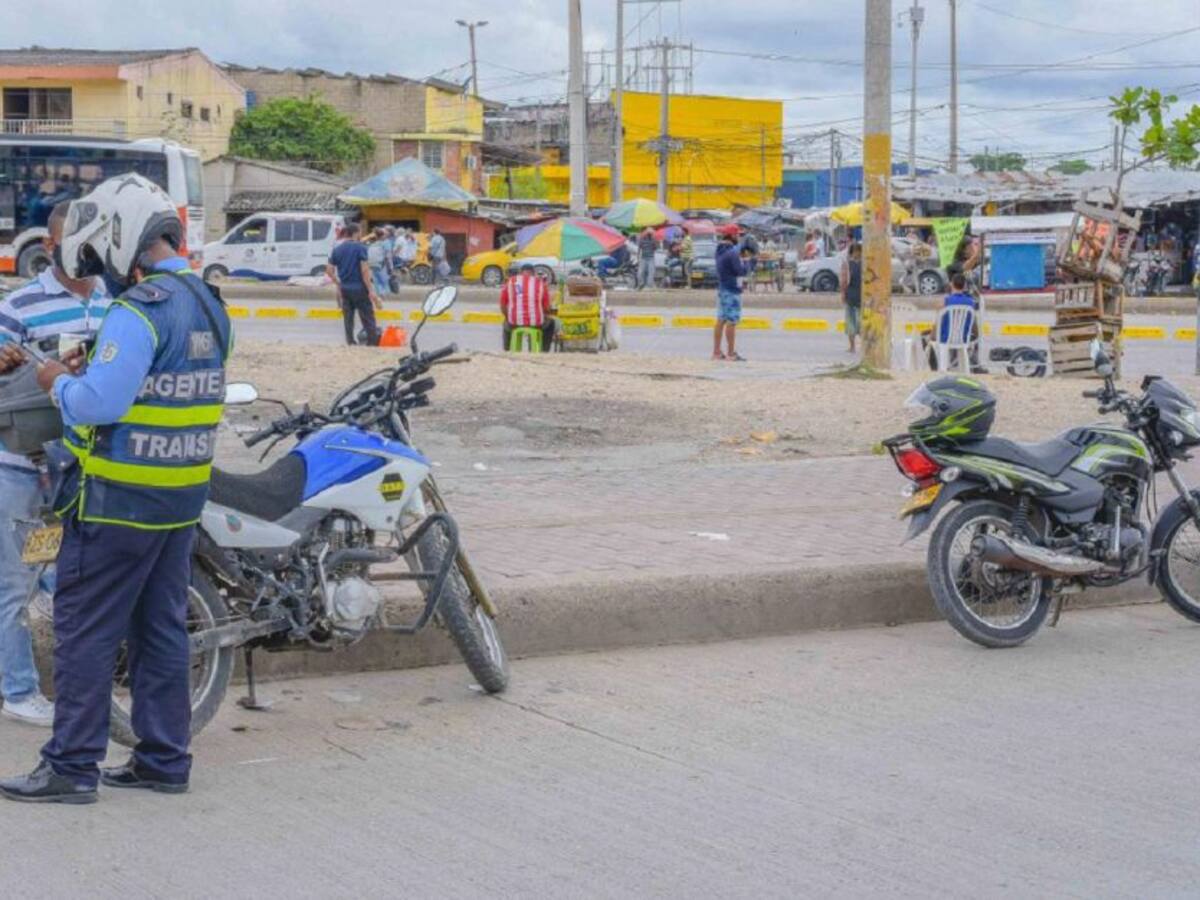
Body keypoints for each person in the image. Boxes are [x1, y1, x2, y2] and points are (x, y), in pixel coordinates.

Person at [0, 174, 232, 804]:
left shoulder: (138, 309)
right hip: (179, 499)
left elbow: (98, 404)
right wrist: (94, 358)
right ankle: (164, 759)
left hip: (114, 501)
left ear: (125, 236)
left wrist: (54, 378)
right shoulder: (208, 300)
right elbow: (164, 380)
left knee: (85, 633)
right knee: (160, 631)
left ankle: (71, 766)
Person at [0, 202, 110, 730]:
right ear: (50, 244)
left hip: (86, 472)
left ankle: (79, 688)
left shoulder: (118, 304)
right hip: (23, 469)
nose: (81, 253)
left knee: (72, 584)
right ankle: (19, 691)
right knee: (15, 585)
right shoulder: (20, 304)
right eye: (70, 242)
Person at [327, 223, 382, 347]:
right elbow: (364, 271)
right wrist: (371, 290)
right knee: (367, 316)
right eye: (360, 232)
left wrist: (338, 283)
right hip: (359, 288)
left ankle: (350, 341)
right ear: (356, 233)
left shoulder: (337, 249)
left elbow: (329, 271)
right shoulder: (360, 248)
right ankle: (372, 342)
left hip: (345, 288)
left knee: (348, 317)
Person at [499, 264, 554, 352]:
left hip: (514, 323)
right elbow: (547, 308)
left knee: (506, 324)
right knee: (551, 323)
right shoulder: (540, 283)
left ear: (520, 273)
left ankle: (507, 349)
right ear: (533, 273)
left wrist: (508, 316)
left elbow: (502, 304)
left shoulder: (510, 282)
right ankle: (544, 350)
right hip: (536, 324)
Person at [713, 234, 748, 361]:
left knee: (721, 319)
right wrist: (746, 261)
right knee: (732, 321)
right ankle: (731, 353)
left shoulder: (719, 252)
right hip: (732, 289)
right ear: (733, 237)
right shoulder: (733, 253)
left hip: (722, 288)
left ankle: (716, 352)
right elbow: (740, 271)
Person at [840, 242, 863, 354]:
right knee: (851, 323)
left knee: (860, 323)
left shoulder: (865, 264)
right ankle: (852, 346)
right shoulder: (848, 264)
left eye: (858, 251)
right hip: (851, 295)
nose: (856, 254)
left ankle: (862, 346)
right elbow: (844, 281)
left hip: (861, 297)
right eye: (855, 251)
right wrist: (843, 294)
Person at [366, 227, 391, 297]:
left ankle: (379, 294)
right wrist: (389, 267)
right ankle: (383, 294)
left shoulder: (372, 244)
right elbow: (387, 256)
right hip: (381, 264)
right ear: (382, 236)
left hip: (372, 264)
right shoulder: (384, 244)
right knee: (383, 280)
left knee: (376, 280)